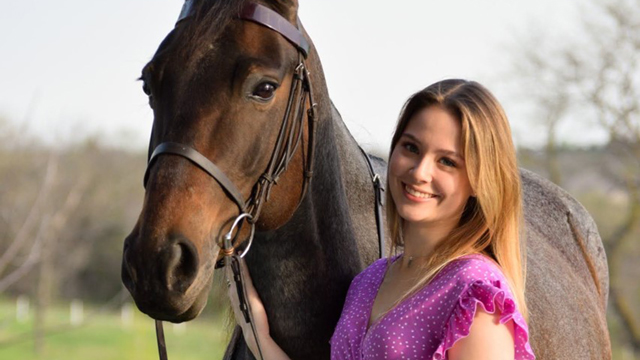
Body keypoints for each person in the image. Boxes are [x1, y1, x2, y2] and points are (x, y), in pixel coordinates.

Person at [226, 79, 536, 359]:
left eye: (447, 162)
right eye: (411, 148)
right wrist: (259, 338)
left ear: (480, 181)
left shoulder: (475, 294)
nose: (419, 172)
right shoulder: (369, 281)